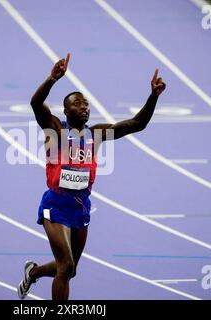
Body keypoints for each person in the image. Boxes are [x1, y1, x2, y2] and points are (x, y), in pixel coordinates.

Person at [17, 53, 166, 300]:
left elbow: (137, 124)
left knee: (70, 268)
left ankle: (33, 273)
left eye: (86, 104)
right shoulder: (55, 129)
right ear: (66, 111)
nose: (84, 106)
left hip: (80, 207)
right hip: (55, 206)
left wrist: (153, 97)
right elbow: (35, 104)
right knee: (65, 266)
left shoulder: (96, 134)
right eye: (78, 103)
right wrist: (51, 79)